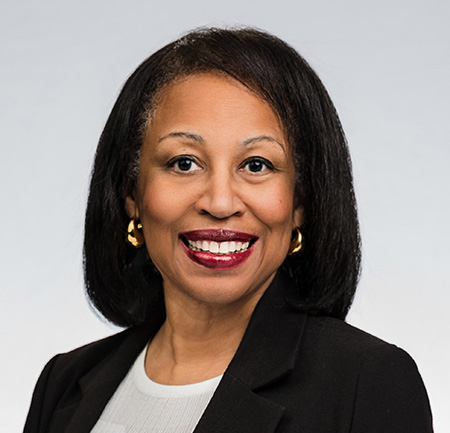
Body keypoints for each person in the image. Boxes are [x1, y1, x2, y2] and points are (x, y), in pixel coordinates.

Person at [24, 27, 433, 433]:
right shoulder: (63, 385)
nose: (220, 203)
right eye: (184, 163)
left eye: (256, 165)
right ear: (131, 193)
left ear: (300, 203)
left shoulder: (367, 382)